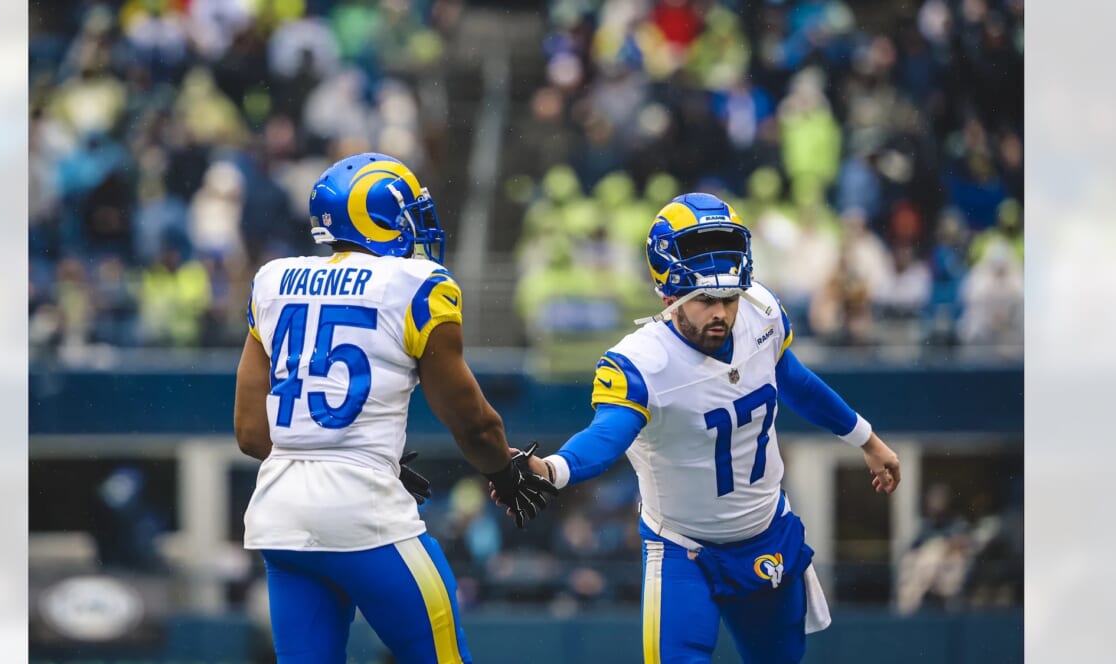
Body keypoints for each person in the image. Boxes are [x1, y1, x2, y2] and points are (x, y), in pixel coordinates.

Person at [501, 193, 901, 663]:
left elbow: (792, 380)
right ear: (670, 296)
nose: (722, 313)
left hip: (766, 532)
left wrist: (866, 439)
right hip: (681, 550)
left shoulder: (760, 312)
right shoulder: (643, 361)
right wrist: (552, 469)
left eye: (729, 297)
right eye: (706, 299)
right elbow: (609, 434)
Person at [233, 152, 558, 664]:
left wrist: (340, 449)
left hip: (282, 517)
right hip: (363, 512)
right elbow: (471, 421)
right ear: (378, 218)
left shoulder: (273, 281)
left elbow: (252, 433)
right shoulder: (413, 286)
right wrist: (505, 468)